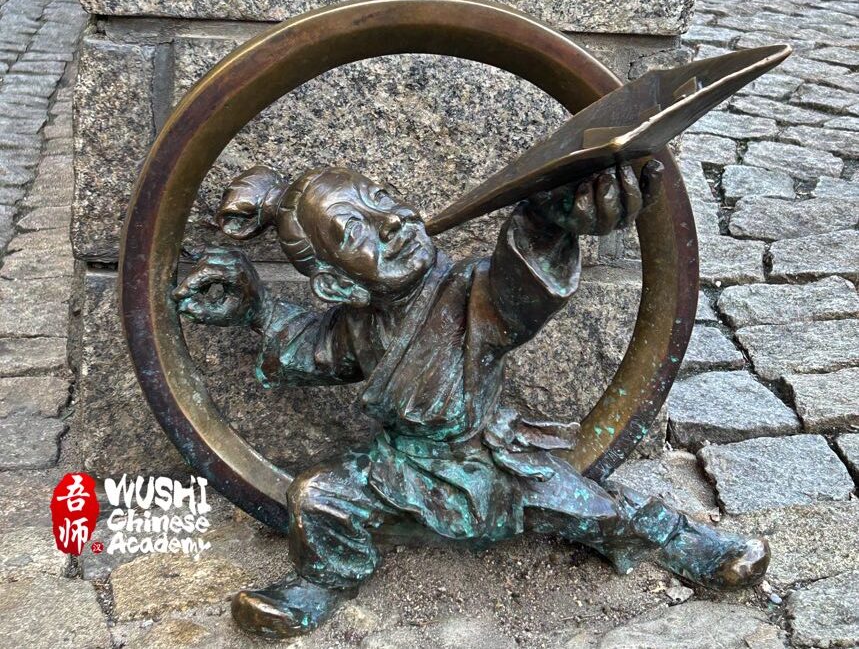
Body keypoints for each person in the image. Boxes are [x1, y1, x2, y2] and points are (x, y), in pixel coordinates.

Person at [174, 162, 769, 639]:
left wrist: (548, 220)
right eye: (355, 232)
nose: (391, 221)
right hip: (398, 468)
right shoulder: (358, 328)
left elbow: (519, 284)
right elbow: (309, 348)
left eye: (382, 198)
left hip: (492, 462)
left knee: (596, 508)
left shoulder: (470, 294)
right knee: (316, 496)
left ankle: (680, 539)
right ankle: (323, 580)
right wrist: (253, 308)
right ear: (336, 283)